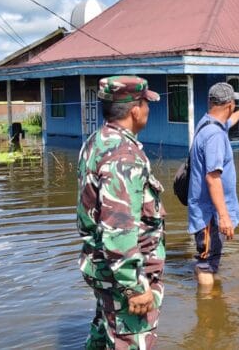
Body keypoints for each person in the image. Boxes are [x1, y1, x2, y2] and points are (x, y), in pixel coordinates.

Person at [76, 76, 166, 350]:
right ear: (135, 110)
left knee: (105, 336)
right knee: (131, 341)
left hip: (102, 268)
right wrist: (135, 288)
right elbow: (119, 231)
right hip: (123, 277)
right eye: (145, 103)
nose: (148, 109)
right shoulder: (124, 157)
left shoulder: (97, 141)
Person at [187, 82, 239, 288]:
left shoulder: (208, 123)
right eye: (234, 105)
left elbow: (226, 122)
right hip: (210, 215)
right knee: (206, 263)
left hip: (209, 211)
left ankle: (212, 299)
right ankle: (209, 311)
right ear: (229, 104)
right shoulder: (215, 136)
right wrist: (224, 217)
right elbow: (212, 178)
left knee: (211, 259)